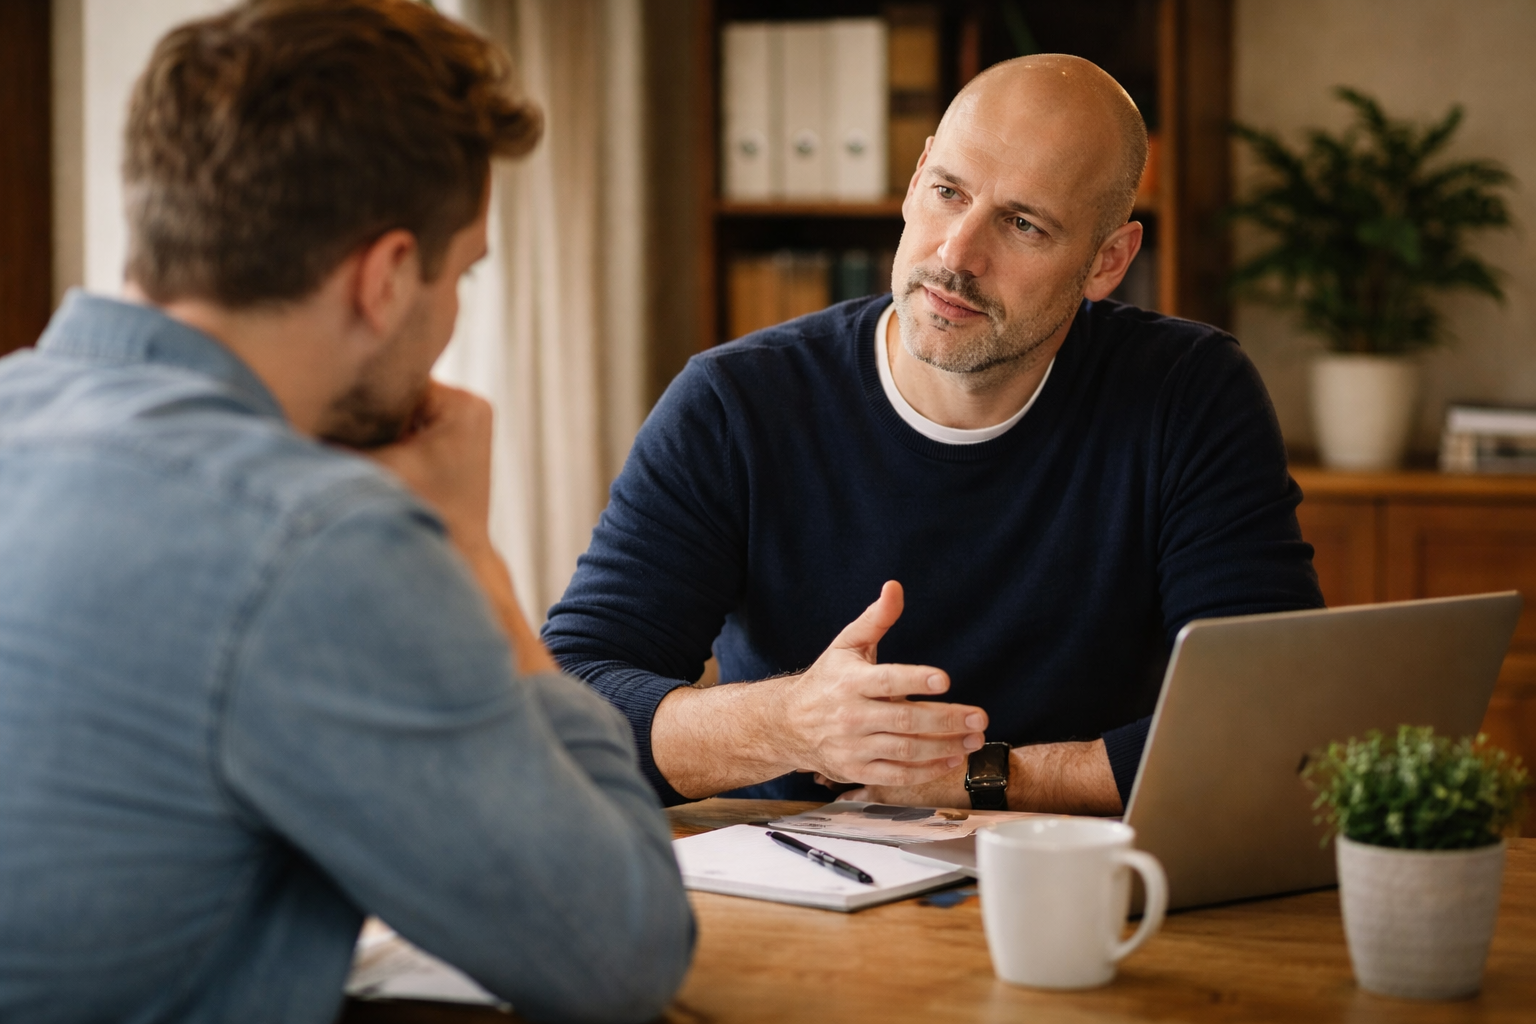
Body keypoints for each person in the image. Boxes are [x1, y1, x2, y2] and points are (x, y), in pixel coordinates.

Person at [0, 2, 692, 1021]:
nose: (452, 313)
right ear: (383, 278)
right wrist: (471, 556)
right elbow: (624, 949)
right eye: (462, 273)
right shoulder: (315, 543)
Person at [544, 55, 1324, 814]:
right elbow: (569, 704)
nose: (957, 254)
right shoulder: (736, 403)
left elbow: (1271, 716)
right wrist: (793, 726)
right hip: (803, 888)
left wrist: (990, 776)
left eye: (1023, 224)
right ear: (916, 179)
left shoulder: (1188, 394)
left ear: (1108, 260)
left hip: (1077, 887)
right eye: (949, 192)